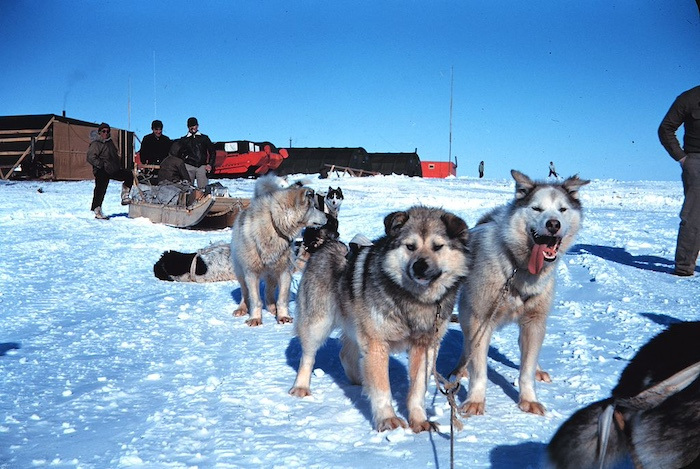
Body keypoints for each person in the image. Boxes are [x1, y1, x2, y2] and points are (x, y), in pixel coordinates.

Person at [658, 85, 700, 276]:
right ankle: (684, 267)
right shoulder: (690, 98)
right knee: (694, 216)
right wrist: (682, 158)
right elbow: (666, 128)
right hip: (697, 162)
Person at [86, 123, 133, 219]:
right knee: (100, 189)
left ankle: (125, 195)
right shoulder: (96, 143)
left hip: (112, 169)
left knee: (129, 175)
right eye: (103, 131)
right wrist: (101, 165)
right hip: (101, 170)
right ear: (99, 132)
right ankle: (96, 209)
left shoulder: (109, 142)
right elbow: (90, 157)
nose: (106, 133)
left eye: (107, 131)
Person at [176, 117, 216, 188]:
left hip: (202, 166)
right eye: (190, 126)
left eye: (194, 125)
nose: (192, 128)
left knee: (203, 189)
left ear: (197, 126)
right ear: (188, 127)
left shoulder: (204, 138)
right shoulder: (184, 140)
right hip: (188, 166)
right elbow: (179, 153)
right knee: (187, 188)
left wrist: (210, 164)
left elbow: (212, 152)